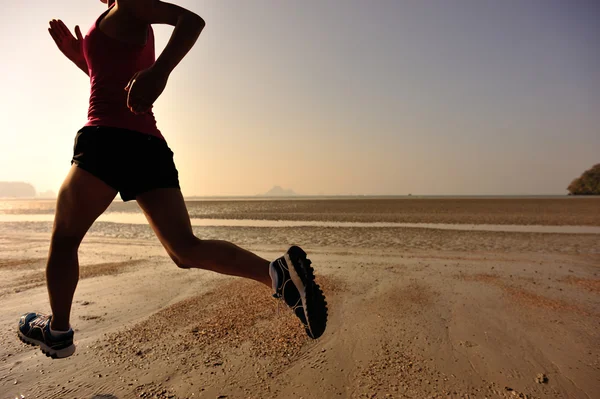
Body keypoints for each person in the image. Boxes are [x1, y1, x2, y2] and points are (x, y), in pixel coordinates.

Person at [17, 0, 327, 359]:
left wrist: (160, 71)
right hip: (147, 145)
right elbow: (114, 77)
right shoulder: (116, 16)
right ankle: (278, 276)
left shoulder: (131, 4)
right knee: (185, 249)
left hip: (106, 141)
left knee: (65, 238)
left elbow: (190, 21)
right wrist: (79, 58)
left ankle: (56, 331)